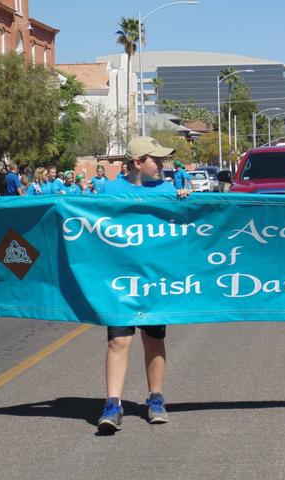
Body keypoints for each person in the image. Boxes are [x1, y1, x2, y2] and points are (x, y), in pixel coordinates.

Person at [96, 136, 188, 434]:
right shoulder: (108, 190)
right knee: (118, 341)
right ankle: (113, 404)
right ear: (138, 163)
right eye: (156, 160)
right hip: (119, 281)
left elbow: (189, 225)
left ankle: (156, 400)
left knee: (153, 340)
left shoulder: (167, 190)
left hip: (155, 281)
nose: (162, 165)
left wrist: (187, 200)